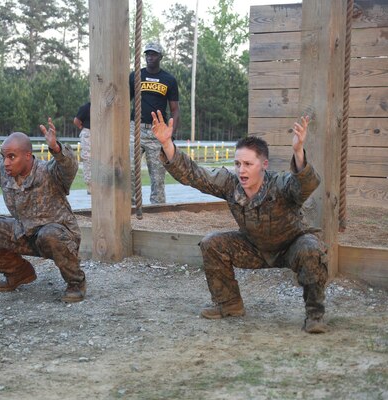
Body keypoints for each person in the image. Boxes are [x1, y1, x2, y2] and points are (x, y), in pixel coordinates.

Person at [152, 110, 329, 334]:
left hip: (291, 247)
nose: (241, 170)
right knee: (212, 243)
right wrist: (167, 144)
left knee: (312, 248)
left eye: (248, 164)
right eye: (237, 163)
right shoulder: (230, 183)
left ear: (264, 164)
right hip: (254, 248)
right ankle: (229, 304)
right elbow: (195, 175)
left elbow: (305, 186)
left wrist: (298, 152)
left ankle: (314, 315)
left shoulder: (280, 183)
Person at [0, 118, 87, 303]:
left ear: (28, 156)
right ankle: (19, 273)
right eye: (4, 157)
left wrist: (57, 149)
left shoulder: (49, 172)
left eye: (12, 157)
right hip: (25, 233)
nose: (6, 163)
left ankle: (76, 282)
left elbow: (68, 167)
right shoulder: (2, 170)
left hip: (59, 237)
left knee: (49, 235)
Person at [129, 42, 180, 204]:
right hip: (134, 129)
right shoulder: (135, 76)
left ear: (160, 57)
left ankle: (157, 211)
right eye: (148, 54)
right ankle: (129, 207)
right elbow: (123, 101)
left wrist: (170, 135)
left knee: (157, 176)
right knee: (128, 171)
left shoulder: (169, 80)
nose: (150, 57)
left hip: (156, 132)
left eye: (154, 54)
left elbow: (175, 110)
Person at [73, 101, 91, 194]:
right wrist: (82, 127)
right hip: (88, 133)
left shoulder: (102, 105)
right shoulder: (86, 107)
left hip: (100, 133)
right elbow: (76, 120)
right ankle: (90, 185)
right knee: (88, 159)